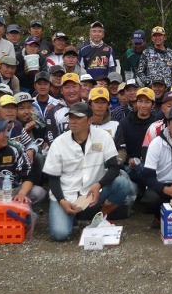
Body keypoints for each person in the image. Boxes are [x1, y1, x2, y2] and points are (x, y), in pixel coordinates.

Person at [43, 102, 135, 240]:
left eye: (78, 118)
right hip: (66, 194)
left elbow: (114, 167)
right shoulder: (58, 143)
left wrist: (99, 185)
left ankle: (100, 216)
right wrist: (62, 201)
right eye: (71, 118)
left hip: (93, 193)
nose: (73, 122)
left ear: (90, 120)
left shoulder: (103, 136)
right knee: (59, 234)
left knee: (123, 183)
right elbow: (53, 179)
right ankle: (71, 216)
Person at [118, 87, 158, 192]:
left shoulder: (157, 124)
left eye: (147, 102)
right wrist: (129, 159)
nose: (143, 105)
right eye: (140, 101)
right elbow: (120, 147)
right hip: (130, 166)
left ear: (153, 105)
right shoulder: (124, 123)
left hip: (152, 165)